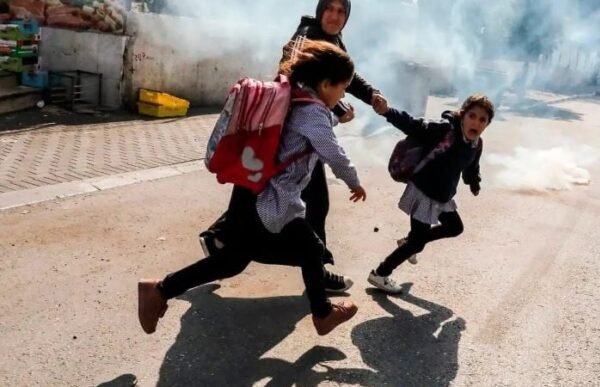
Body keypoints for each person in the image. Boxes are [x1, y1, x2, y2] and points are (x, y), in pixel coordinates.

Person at [139, 40, 366, 336]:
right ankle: (322, 314)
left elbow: (310, 128)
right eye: (343, 87)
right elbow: (331, 150)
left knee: (233, 261)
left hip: (251, 191)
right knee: (311, 248)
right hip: (270, 201)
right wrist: (354, 181)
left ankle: (160, 289)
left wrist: (335, 114)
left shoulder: (298, 97)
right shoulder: (313, 113)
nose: (343, 94)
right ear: (325, 85)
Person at [199, 0, 388, 293]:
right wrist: (337, 110)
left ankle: (218, 238)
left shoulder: (333, 40)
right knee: (311, 203)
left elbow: (343, 76)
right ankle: (317, 272)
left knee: (267, 194)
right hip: (292, 134)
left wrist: (371, 93)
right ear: (320, 10)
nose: (335, 16)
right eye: (330, 9)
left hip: (300, 136)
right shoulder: (306, 34)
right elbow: (296, 76)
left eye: (342, 11)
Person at [367, 94, 495, 294]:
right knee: (417, 243)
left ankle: (409, 242)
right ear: (462, 115)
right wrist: (387, 112)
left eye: (482, 119)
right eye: (472, 116)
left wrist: (474, 183)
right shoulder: (444, 130)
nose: (476, 123)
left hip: (442, 195)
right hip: (424, 192)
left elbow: (471, 167)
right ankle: (381, 272)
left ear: (487, 124)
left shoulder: (476, 144)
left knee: (454, 228)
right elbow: (413, 125)